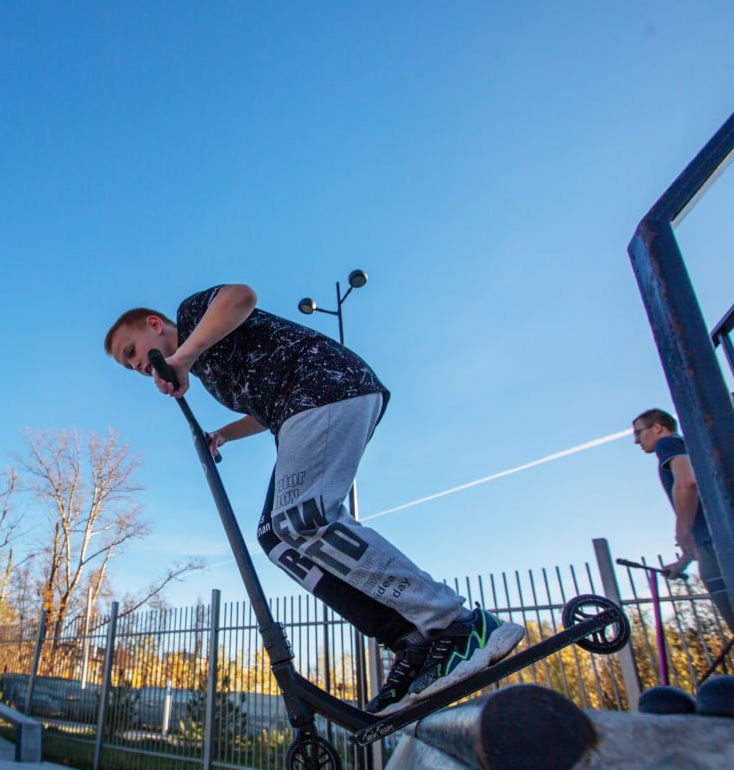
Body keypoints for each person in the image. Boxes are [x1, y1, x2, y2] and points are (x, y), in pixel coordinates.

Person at [104, 284, 525, 716]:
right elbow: (265, 409)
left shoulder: (194, 315)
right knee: (277, 537)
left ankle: (455, 625)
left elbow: (242, 297)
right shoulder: (209, 368)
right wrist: (225, 433)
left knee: (303, 518)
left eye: (132, 351)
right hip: (296, 410)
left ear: (155, 325)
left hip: (327, 387)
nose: (137, 365)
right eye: (130, 365)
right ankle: (411, 641)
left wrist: (184, 357)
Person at [632, 408, 734, 634]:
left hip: (713, 546)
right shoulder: (687, 446)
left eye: (638, 433)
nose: (635, 441)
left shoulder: (667, 443)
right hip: (714, 542)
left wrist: (682, 530)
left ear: (657, 427)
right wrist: (683, 562)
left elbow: (687, 482)